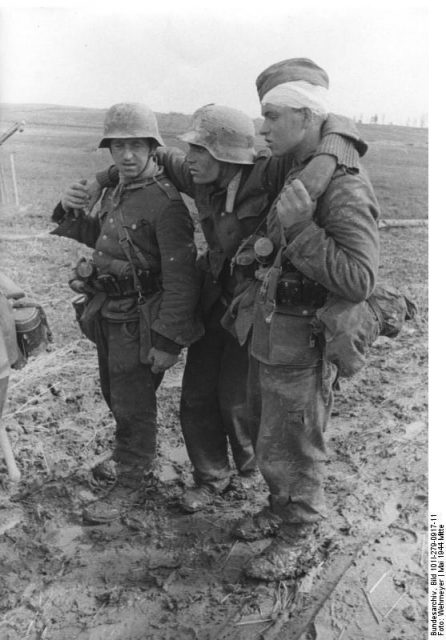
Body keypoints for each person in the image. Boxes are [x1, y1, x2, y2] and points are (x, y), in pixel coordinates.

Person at [70, 102, 367, 513]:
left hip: (261, 307)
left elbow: (326, 146)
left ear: (227, 156)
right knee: (196, 395)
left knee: (240, 400)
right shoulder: (198, 175)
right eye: (190, 151)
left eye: (200, 151)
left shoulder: (271, 174)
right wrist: (99, 181)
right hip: (216, 303)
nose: (188, 160)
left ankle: (246, 475)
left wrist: (334, 142)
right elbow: (144, 157)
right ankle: (211, 475)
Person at [228, 58, 381, 581]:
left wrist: (299, 230)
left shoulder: (342, 187)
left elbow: (360, 278)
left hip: (303, 339)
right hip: (270, 330)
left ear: (306, 114)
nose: (262, 127)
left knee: (295, 442)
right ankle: (279, 508)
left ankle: (299, 536)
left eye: (271, 115)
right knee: (266, 431)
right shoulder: (295, 165)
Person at [51, 103, 202, 523]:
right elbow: (100, 240)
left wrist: (170, 341)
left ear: (154, 148)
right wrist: (70, 206)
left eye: (136, 145)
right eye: (119, 145)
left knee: (133, 405)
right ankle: (131, 461)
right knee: (116, 396)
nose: (127, 155)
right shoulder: (119, 189)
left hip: (141, 323)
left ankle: (132, 483)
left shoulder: (166, 204)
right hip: (109, 314)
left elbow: (182, 280)